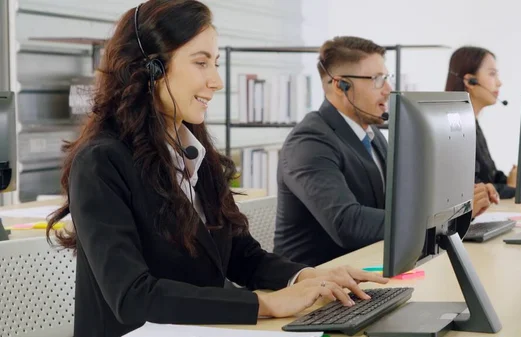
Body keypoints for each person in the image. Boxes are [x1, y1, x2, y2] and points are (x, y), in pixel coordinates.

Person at [45, 2, 387, 336]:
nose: (217, 81)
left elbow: (242, 254)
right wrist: (263, 305)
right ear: (152, 69)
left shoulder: (195, 152)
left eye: (216, 63)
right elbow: (133, 296)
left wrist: (306, 277)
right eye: (201, 63)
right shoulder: (100, 162)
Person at [273, 36, 496, 267]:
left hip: (366, 268)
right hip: (315, 284)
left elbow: (403, 199)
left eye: (386, 78)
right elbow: (347, 223)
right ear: (341, 85)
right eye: (377, 80)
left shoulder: (372, 135)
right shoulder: (310, 142)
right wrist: (434, 218)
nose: (388, 90)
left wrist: (457, 208)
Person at [445, 46, 517, 199]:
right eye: (492, 74)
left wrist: (512, 179)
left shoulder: (472, 123)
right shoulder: (456, 129)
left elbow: (488, 176)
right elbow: (474, 187)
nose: (499, 83)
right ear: (470, 81)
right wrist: (510, 187)